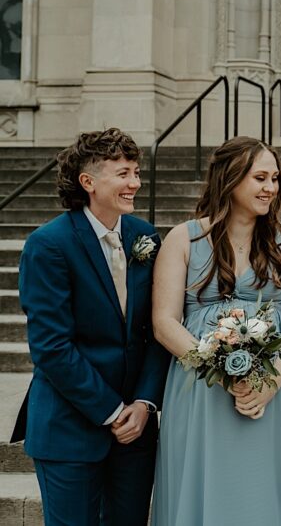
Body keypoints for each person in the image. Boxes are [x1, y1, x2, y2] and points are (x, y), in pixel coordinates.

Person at [151, 137, 281, 525]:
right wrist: (220, 372)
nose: (270, 188)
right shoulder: (185, 238)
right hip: (201, 390)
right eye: (260, 178)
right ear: (230, 179)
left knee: (260, 493)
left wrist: (269, 385)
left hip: (269, 389)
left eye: (274, 178)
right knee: (204, 488)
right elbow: (164, 322)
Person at [14, 128, 169, 525]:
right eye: (123, 173)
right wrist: (113, 410)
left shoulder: (144, 236)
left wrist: (144, 404)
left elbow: (157, 329)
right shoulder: (49, 245)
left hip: (135, 431)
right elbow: (51, 347)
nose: (135, 182)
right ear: (89, 182)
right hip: (69, 428)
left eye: (136, 171)